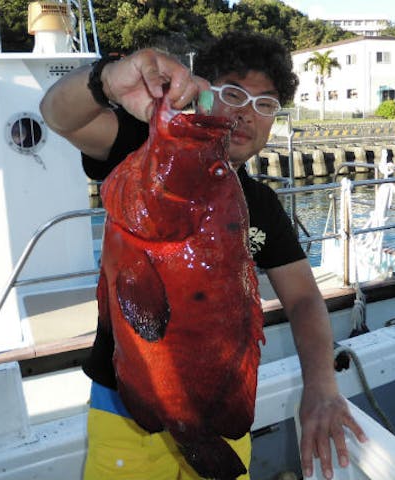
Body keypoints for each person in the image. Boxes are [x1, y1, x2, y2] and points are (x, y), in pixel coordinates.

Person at [40, 31, 366, 480]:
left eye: (265, 104)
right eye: (232, 93)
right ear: (200, 91)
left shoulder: (262, 204)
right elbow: (58, 115)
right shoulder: (146, 155)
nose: (246, 114)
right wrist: (109, 80)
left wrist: (322, 386)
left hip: (216, 409)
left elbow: (305, 299)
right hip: (123, 407)